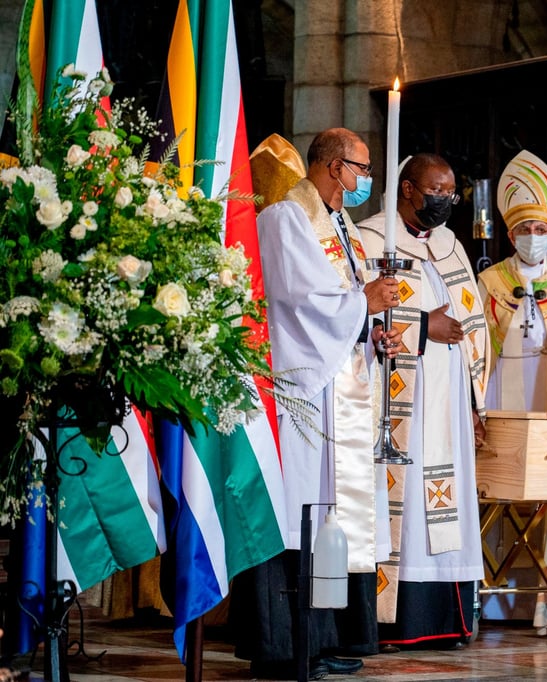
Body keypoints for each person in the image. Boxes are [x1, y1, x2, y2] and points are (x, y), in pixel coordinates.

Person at [229, 128, 401, 679]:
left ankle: (326, 639)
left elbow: (342, 305)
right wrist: (363, 302)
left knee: (333, 514)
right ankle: (283, 647)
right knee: (298, 514)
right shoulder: (285, 218)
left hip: (338, 388)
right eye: (361, 168)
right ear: (333, 167)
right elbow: (298, 298)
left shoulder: (342, 226)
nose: (365, 181)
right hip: (300, 391)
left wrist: (372, 333)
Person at [358, 152, 488, 650]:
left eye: (451, 194)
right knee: (405, 507)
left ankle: (448, 616)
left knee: (446, 504)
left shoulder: (451, 248)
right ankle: (398, 619)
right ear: (407, 189)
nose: (444, 202)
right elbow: (357, 316)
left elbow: (472, 326)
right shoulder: (371, 239)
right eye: (436, 191)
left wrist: (475, 401)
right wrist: (423, 327)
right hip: (398, 404)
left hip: (446, 404)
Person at [476, 149, 547, 631]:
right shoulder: (487, 282)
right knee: (494, 489)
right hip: (500, 398)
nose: (533, 239)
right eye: (523, 230)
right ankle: (491, 594)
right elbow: (477, 349)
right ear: (509, 232)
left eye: (541, 230)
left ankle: (545, 598)